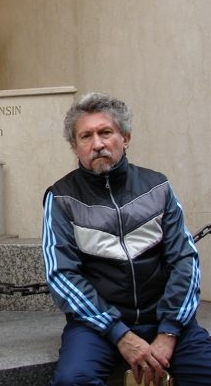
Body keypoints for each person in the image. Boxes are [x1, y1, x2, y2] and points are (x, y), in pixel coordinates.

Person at [42, 92, 211, 386]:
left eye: (106, 132)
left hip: (164, 317)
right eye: (86, 136)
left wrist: (168, 332)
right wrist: (119, 334)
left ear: (125, 137)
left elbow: (185, 261)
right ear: (75, 146)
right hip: (97, 326)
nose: (97, 144)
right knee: (72, 381)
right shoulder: (61, 198)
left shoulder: (158, 187)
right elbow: (62, 275)